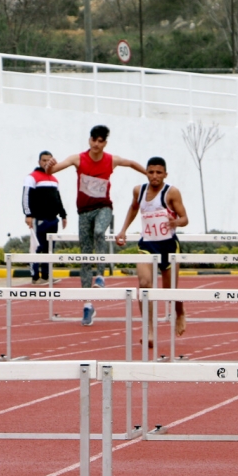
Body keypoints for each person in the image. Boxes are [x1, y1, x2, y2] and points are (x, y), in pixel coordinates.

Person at [47, 125, 147, 326]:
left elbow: (130, 163)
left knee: (100, 231)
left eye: (101, 141)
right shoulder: (78, 159)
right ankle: (87, 305)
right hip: (83, 213)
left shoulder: (111, 160)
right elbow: (54, 170)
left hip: (103, 208)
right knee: (85, 257)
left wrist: (149, 174)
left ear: (105, 143)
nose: (97, 144)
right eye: (94, 140)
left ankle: (100, 275)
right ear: (89, 140)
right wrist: (50, 165)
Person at [115, 157, 189, 346]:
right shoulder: (139, 191)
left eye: (159, 172)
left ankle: (179, 311)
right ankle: (148, 329)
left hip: (168, 245)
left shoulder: (171, 193)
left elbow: (185, 218)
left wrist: (176, 222)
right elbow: (133, 209)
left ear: (165, 174)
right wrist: (123, 229)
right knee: (145, 284)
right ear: (146, 172)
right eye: (151, 172)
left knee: (169, 291)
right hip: (147, 244)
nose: (154, 176)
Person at [22, 151, 67, 285]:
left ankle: (46, 276)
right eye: (43, 160)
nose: (46, 162)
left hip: (53, 219)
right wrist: (28, 214)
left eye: (49, 160)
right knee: (37, 247)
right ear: (39, 162)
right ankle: (35, 277)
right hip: (39, 219)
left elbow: (58, 199)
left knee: (49, 249)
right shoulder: (32, 177)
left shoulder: (54, 179)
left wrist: (63, 215)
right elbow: (25, 197)